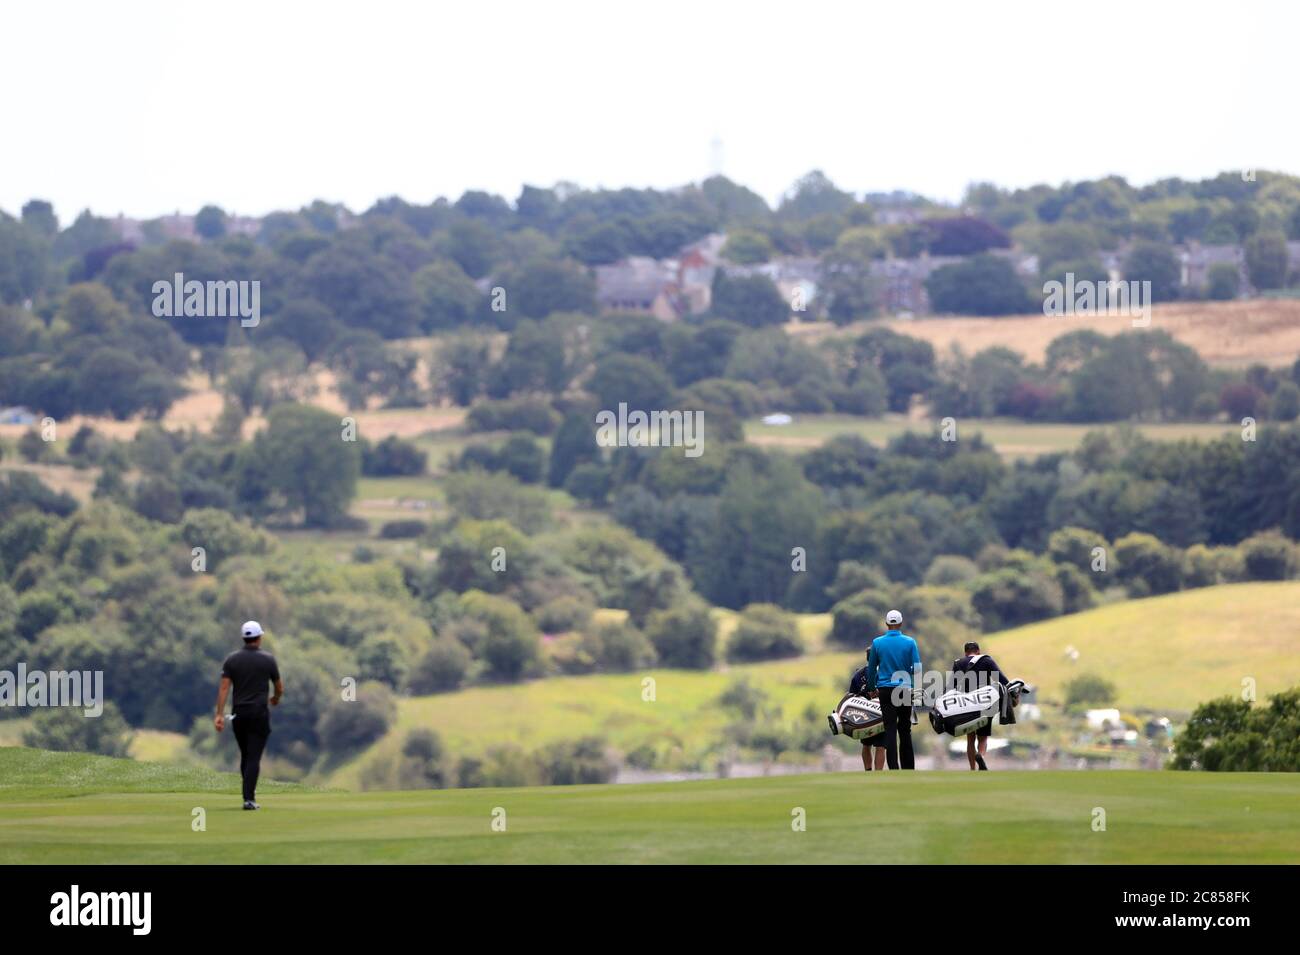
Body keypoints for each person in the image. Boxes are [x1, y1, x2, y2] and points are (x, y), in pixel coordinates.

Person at [214, 621, 283, 809]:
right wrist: (275, 698)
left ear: (244, 638)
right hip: (259, 713)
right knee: (253, 756)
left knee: (246, 755)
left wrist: (219, 714)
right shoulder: (268, 659)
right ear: (259, 638)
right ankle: (249, 799)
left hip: (238, 715)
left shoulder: (231, 660)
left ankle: (247, 794)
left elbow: (224, 688)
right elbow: (278, 687)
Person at [863, 609, 922, 770]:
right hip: (904, 689)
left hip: (885, 690)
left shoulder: (877, 642)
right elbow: (917, 668)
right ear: (901, 623)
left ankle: (894, 767)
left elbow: (872, 667)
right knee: (905, 729)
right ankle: (908, 767)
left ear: (887, 624)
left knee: (890, 729)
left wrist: (871, 687)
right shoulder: (910, 642)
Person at [952, 641, 1007, 771]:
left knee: (970, 738)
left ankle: (972, 769)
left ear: (965, 653)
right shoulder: (986, 660)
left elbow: (951, 686)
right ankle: (980, 755)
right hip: (984, 702)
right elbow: (1001, 679)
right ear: (978, 651)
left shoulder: (958, 663)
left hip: (965, 704)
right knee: (983, 737)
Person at [848, 659, 888, 771]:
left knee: (866, 745)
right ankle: (878, 773)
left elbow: (852, 696)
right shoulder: (885, 673)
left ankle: (868, 770)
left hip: (864, 716)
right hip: (881, 715)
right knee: (880, 747)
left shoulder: (858, 674)